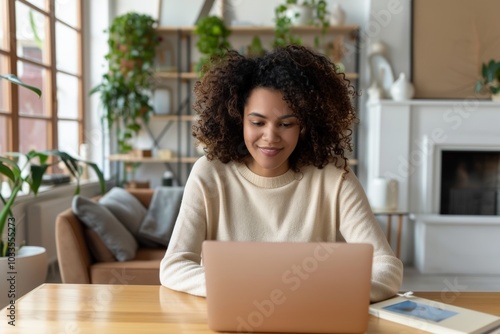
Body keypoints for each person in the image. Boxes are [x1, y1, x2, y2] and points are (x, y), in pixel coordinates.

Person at [160, 45, 403, 302]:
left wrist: (322, 294)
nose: (270, 137)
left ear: (305, 125)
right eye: (257, 123)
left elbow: (386, 267)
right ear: (237, 118)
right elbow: (174, 265)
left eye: (286, 124)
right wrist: (241, 289)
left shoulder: (334, 178)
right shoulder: (210, 174)